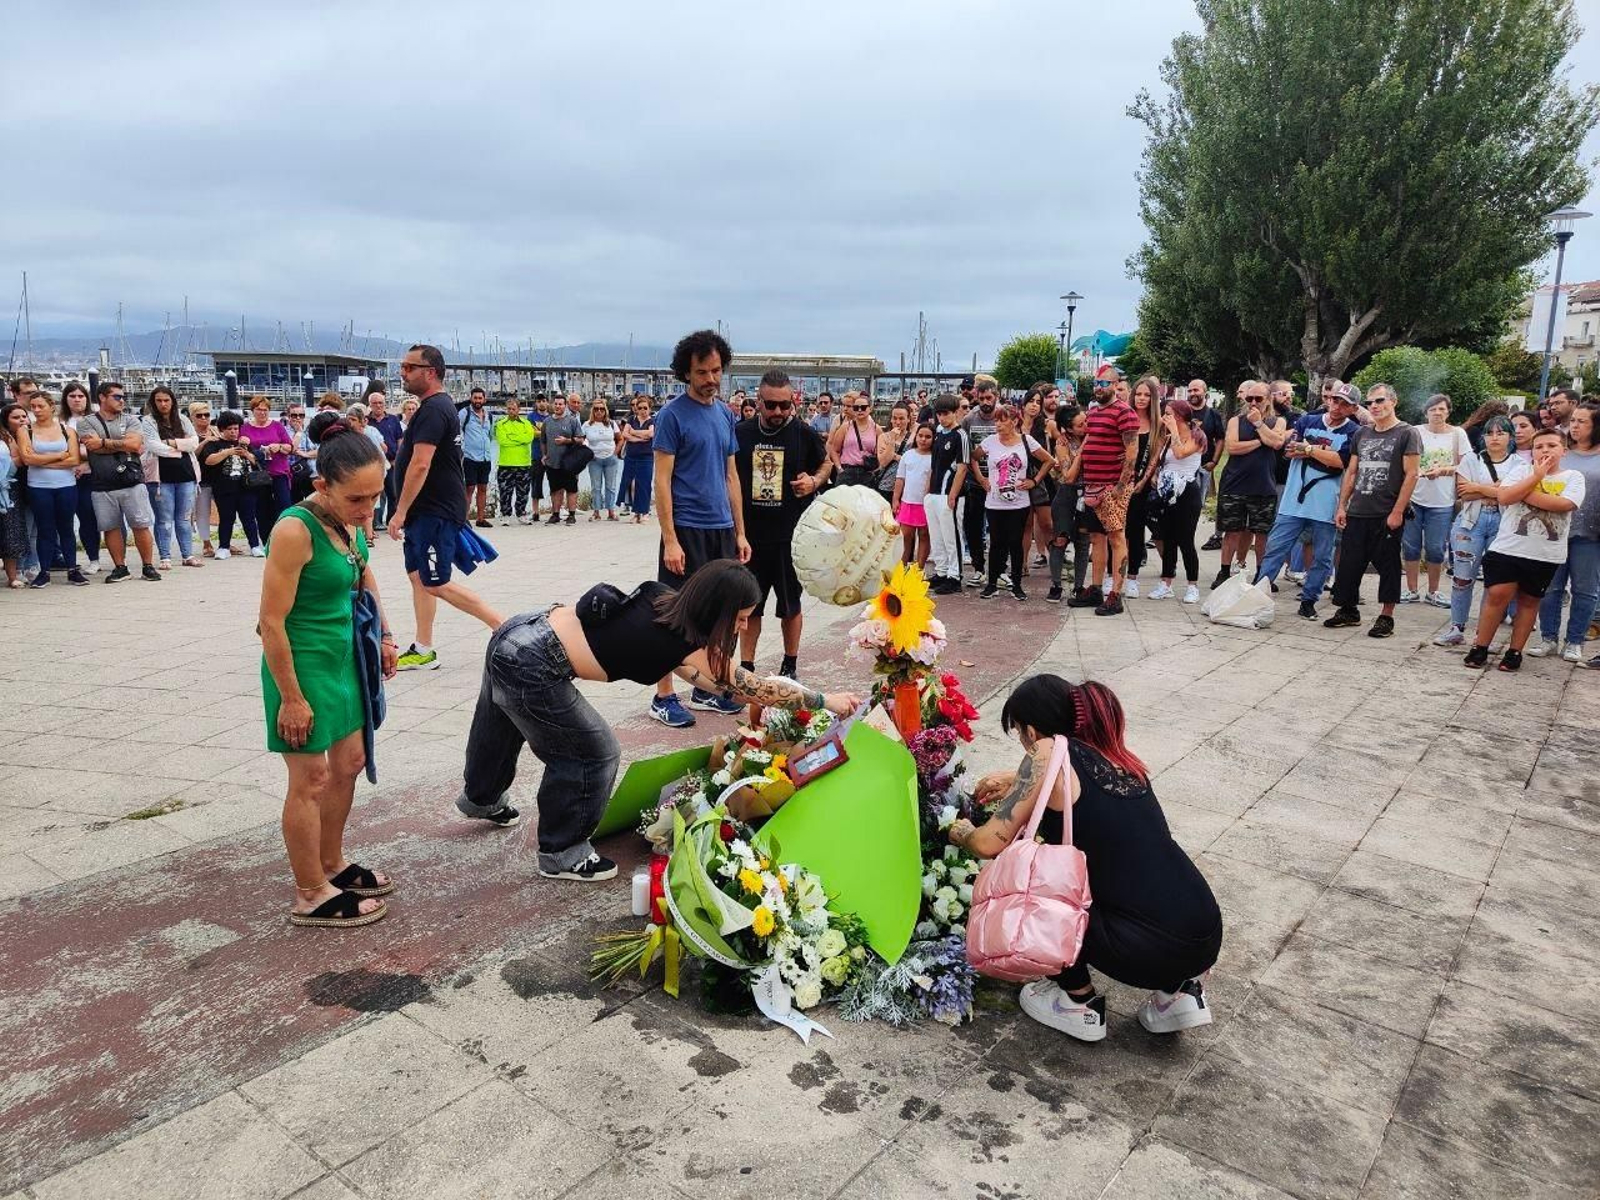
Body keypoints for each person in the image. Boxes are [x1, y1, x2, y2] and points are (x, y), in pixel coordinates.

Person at [455, 560, 859, 879]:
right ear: (718, 609)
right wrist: (826, 700)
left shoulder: (662, 600)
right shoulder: (684, 640)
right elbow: (751, 688)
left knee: (502, 719)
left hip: (519, 632)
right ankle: (562, 853)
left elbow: (707, 677)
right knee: (593, 752)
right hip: (533, 662)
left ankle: (481, 797)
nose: (741, 626)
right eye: (740, 617)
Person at [948, 675, 1223, 1041]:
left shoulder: (1045, 751)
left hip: (1147, 947)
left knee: (1042, 894)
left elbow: (987, 844)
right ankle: (1178, 993)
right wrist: (1017, 780)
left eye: (1018, 733)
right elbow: (1081, 793)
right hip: (1201, 930)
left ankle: (1077, 1000)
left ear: (1030, 730)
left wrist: (959, 830)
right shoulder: (1116, 756)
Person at [259, 413, 399, 927]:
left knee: (350, 763)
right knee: (311, 777)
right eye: (357, 499)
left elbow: (365, 578)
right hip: (301, 665)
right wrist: (291, 698)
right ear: (322, 485)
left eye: (375, 496)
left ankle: (332, 863)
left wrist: (385, 634)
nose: (369, 510)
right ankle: (309, 893)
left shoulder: (352, 525)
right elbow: (269, 624)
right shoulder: (296, 530)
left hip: (345, 660)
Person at [649, 329, 751, 727]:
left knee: (724, 612)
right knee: (672, 613)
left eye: (716, 370)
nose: (711, 378)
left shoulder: (724, 414)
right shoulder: (671, 415)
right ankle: (663, 696)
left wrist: (740, 532)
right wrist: (671, 540)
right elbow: (661, 480)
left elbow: (731, 477)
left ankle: (706, 688)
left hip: (722, 528)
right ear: (686, 373)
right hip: (686, 529)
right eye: (702, 372)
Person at [389, 344, 504, 671]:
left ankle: (504, 627)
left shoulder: (434, 410)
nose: (403, 372)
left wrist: (398, 512)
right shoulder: (434, 408)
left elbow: (420, 465)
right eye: (403, 366)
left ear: (430, 371)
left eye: (409, 367)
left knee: (435, 581)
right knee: (418, 577)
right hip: (424, 512)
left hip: (434, 511)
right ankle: (423, 648)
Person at [734, 369, 830, 682]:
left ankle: (790, 666)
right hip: (750, 537)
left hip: (791, 536)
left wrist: (813, 481)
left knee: (791, 605)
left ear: (794, 403)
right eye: (771, 405)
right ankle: (746, 667)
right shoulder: (741, 433)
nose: (778, 412)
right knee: (749, 607)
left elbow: (828, 462)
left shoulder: (803, 432)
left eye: (785, 406)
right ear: (758, 401)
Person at [1464, 428, 1587, 671]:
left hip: (1544, 552)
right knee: (1497, 595)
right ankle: (1480, 646)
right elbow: (1505, 497)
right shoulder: (1521, 470)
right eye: (1539, 446)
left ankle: (1514, 651)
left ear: (1564, 450)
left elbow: (1565, 504)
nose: (1545, 450)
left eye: (1551, 446)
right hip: (1509, 547)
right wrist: (1536, 476)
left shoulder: (1574, 476)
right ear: (1531, 451)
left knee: (1530, 601)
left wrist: (1523, 494)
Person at [1254, 386, 1361, 620]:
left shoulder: (1355, 432)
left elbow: (1341, 462)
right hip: (1294, 501)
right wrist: (1321, 452)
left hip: (1327, 503)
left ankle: (1309, 600)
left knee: (1323, 557)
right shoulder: (1307, 421)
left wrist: (1310, 449)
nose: (1336, 406)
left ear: (1353, 408)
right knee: (1275, 549)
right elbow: (1290, 450)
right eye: (1334, 400)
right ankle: (1257, 594)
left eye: (1344, 403)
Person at [1324, 384, 1422, 637]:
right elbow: (1352, 471)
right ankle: (1348, 609)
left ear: (1393, 401)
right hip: (1358, 509)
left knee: (1388, 565)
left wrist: (1398, 511)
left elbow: (1412, 474)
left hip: (1386, 510)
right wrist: (1342, 505)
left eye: (1380, 401)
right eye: (1370, 403)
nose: (1375, 406)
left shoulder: (1407, 433)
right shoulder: (1362, 434)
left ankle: (1386, 616)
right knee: (1349, 564)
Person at [1435, 415, 1516, 648]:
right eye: (1490, 433)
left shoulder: (1519, 464)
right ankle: (1456, 627)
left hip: (1503, 524)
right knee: (1462, 577)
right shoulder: (1471, 460)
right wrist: (1497, 488)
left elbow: (1511, 493)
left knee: (1493, 582)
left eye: (1500, 433)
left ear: (1509, 436)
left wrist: (1479, 487)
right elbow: (1464, 493)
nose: (1494, 438)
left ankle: (1484, 632)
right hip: (1471, 521)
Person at [1528, 403, 1600, 663]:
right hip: (1553, 531)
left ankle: (1575, 640)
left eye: (1583, 421)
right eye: (1574, 421)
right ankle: (1548, 637)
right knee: (1551, 588)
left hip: (1589, 534)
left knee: (1585, 589)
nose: (1575, 425)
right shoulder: (1561, 453)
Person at [1067, 371, 1138, 615]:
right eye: (1096, 383)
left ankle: (1116, 594)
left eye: (1104, 383)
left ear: (1116, 385)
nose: (1099, 387)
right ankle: (1096, 588)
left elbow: (1131, 452)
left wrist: (1120, 486)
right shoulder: (1094, 412)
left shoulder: (1125, 413)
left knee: (1116, 537)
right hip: (1092, 485)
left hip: (1111, 487)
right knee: (1096, 537)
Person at [78, 381, 161, 583]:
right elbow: (92, 447)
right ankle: (120, 567)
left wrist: (105, 443)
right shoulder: (86, 422)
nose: (122, 400)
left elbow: (134, 444)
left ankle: (147, 566)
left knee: (140, 525)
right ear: (102, 398)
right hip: (102, 482)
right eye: (117, 396)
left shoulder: (132, 419)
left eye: (123, 396)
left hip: (132, 480)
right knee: (110, 527)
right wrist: (121, 445)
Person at [974, 404, 1054, 601]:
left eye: (1002, 420)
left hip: (1019, 502)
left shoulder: (1026, 441)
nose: (998, 425)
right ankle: (992, 582)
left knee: (1016, 543)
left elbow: (1049, 461)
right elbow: (973, 458)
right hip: (994, 502)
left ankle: (1016, 583)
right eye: (996, 420)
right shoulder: (990, 442)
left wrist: (1034, 481)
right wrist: (982, 479)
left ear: (1015, 421)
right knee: (996, 543)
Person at [1213, 381, 1285, 590]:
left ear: (1268, 400)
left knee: (1262, 533)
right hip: (1235, 484)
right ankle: (1224, 571)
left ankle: (1262, 574)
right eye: (1249, 398)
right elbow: (1233, 447)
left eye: (1259, 399)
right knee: (1231, 531)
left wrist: (1259, 425)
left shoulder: (1277, 421)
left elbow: (1278, 443)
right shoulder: (1236, 420)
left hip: (1263, 486)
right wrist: (1262, 441)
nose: (1253, 403)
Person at [1403, 394, 1470, 606]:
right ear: (1426, 413)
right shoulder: (1415, 431)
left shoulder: (1457, 434)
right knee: (1410, 546)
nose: (1437, 413)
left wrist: (1443, 470)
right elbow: (1404, 460)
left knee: (1435, 547)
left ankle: (1433, 591)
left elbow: (1466, 465)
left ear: (1448, 412)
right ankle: (1411, 590)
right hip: (1414, 497)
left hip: (1442, 501)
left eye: (1441, 409)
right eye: (1433, 409)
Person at [16, 390, 87, 586]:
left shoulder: (67, 430)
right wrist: (59, 456)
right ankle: (44, 571)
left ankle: (72, 569)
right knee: (45, 528)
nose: (36, 410)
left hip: (66, 485)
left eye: (41, 406)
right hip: (39, 486)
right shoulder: (26, 430)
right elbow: (27, 458)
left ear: (51, 407)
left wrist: (42, 461)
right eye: (33, 407)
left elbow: (74, 458)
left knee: (66, 527)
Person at [1147, 398, 1207, 603]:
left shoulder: (1197, 436)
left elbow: (1181, 454)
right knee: (1168, 539)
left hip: (1187, 492)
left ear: (1180, 416)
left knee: (1186, 540)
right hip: (1168, 493)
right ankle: (1166, 583)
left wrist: (1173, 430)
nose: (1165, 417)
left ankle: (1192, 586)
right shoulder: (1166, 437)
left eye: (1169, 414)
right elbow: (1162, 461)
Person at [140, 386, 203, 571]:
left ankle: (187, 554)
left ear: (172, 401)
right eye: (159, 400)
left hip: (186, 476)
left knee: (184, 518)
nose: (163, 404)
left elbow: (194, 443)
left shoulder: (182, 420)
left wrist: (172, 442)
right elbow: (152, 446)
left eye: (166, 400)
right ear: (153, 402)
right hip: (161, 478)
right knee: (164, 519)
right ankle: (165, 556)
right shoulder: (148, 422)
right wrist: (179, 449)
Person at [923, 393, 971, 596]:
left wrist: (953, 494)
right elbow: (933, 465)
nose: (942, 418)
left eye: (946, 413)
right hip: (934, 492)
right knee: (937, 536)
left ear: (955, 412)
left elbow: (963, 467)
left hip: (949, 493)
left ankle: (955, 575)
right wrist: (927, 491)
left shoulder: (960, 436)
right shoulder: (940, 434)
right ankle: (941, 571)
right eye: (939, 414)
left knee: (952, 536)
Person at [198, 411, 263, 559]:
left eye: (236, 428)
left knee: (249, 518)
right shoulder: (214, 444)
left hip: (246, 487)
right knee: (227, 518)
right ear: (222, 429)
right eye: (230, 429)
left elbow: (256, 462)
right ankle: (224, 546)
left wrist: (246, 453)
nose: (234, 432)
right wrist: (228, 451)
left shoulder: (244, 444)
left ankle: (255, 545)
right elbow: (209, 460)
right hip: (224, 488)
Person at [1119, 376, 1162, 596]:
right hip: (1119, 484)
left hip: (1142, 487)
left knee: (1135, 533)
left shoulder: (1158, 426)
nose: (1142, 398)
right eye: (1139, 394)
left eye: (1147, 395)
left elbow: (1155, 458)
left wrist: (1141, 482)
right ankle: (1112, 575)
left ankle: (1133, 578)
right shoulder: (1124, 419)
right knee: (1116, 532)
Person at [1047, 404, 1091, 604]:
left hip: (1089, 493)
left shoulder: (1093, 436)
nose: (1086, 426)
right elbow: (1068, 476)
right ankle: (1056, 584)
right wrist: (1082, 450)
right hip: (1067, 494)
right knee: (1060, 539)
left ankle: (1079, 586)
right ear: (1069, 428)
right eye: (1081, 425)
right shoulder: (1062, 443)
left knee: (1083, 542)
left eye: (1086, 420)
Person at [960, 377, 1003, 585]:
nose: (986, 402)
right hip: (975, 481)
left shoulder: (1004, 416)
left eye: (989, 398)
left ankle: (1000, 569)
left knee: (999, 528)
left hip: (1001, 481)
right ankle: (978, 567)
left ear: (996, 397)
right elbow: (967, 452)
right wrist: (979, 477)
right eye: (982, 398)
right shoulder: (969, 419)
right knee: (973, 526)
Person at [61, 381, 101, 573]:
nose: (77, 400)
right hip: (65, 477)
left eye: (80, 396)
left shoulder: (95, 420)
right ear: (65, 399)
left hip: (91, 476)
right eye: (72, 396)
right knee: (66, 520)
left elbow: (100, 447)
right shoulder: (60, 422)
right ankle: (68, 560)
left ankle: (95, 559)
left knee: (90, 519)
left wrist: (85, 459)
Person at [240, 396, 293, 532]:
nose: (262, 412)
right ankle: (266, 540)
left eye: (265, 409)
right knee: (262, 510)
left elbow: (290, 447)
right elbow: (241, 448)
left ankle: (284, 535)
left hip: (278, 472)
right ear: (253, 410)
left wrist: (279, 446)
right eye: (258, 409)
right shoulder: (245, 428)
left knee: (284, 505)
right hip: (258, 475)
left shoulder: (277, 426)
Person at [892, 422, 936, 570]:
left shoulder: (934, 458)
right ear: (916, 436)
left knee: (924, 535)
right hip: (907, 502)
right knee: (905, 537)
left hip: (925, 504)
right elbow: (900, 478)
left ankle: (919, 569)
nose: (923, 439)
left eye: (928, 437)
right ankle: (902, 567)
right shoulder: (908, 455)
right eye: (920, 436)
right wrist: (896, 499)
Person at [491, 398, 537, 525]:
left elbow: (528, 438)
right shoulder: (501, 424)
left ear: (518, 409)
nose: (511, 411)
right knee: (505, 491)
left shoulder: (526, 423)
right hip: (506, 463)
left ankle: (521, 513)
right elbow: (502, 441)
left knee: (523, 492)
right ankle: (505, 514)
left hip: (523, 463)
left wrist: (512, 437)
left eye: (513, 409)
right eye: (509, 409)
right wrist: (519, 439)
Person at [541, 393, 584, 526]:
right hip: (552, 462)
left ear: (565, 406)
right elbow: (543, 441)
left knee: (571, 489)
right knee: (555, 489)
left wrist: (567, 440)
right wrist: (544, 455)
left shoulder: (572, 420)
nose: (558, 406)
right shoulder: (547, 422)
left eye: (561, 404)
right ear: (552, 405)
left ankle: (571, 515)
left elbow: (581, 439)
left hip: (569, 462)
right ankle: (555, 514)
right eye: (556, 404)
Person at [0, 405, 30, 587]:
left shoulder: (9, 438)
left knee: (10, 532)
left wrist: (5, 471)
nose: (21, 420)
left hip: (8, 488)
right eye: (15, 417)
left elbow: (20, 459)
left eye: (23, 416)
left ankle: (12, 576)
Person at [828, 391, 882, 488]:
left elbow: (882, 452)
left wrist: (877, 469)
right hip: (847, 470)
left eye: (863, 407)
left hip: (867, 472)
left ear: (870, 408)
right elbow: (834, 449)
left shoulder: (876, 429)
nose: (860, 410)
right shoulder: (845, 427)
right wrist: (839, 468)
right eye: (856, 408)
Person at [582, 400, 622, 522]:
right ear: (592, 411)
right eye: (596, 409)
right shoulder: (587, 425)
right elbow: (581, 440)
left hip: (610, 459)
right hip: (595, 459)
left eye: (601, 409)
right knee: (596, 487)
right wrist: (587, 453)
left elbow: (620, 439)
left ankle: (611, 511)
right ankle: (596, 512)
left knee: (611, 486)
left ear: (605, 411)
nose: (599, 411)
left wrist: (615, 453)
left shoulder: (611, 424)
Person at [369, 387, 403, 529]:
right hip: (373, 464)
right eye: (375, 403)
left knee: (393, 494)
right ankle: (375, 523)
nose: (378, 406)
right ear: (370, 405)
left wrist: (399, 458)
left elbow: (400, 439)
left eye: (381, 403)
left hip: (392, 462)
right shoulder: (367, 422)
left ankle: (391, 521)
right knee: (376, 495)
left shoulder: (393, 419)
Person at [459, 387, 494, 529]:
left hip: (485, 457)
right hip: (470, 457)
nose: (478, 401)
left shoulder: (489, 415)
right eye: (475, 398)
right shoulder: (464, 413)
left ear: (484, 399)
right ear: (471, 398)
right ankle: (464, 519)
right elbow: (457, 430)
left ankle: (481, 518)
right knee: (469, 488)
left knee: (483, 488)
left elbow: (490, 435)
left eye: (480, 398)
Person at [619, 395, 656, 523]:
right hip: (631, 456)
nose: (642, 410)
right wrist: (639, 438)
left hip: (646, 457)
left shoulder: (652, 421)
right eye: (639, 408)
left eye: (645, 408)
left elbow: (651, 433)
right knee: (632, 484)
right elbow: (625, 434)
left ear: (649, 408)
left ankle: (645, 511)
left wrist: (633, 433)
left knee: (644, 484)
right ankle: (636, 512)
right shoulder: (631, 419)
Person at [187, 401, 217, 557]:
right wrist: (205, 441)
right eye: (199, 415)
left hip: (218, 477)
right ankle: (206, 542)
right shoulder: (189, 434)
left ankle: (225, 540)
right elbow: (192, 454)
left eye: (207, 415)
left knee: (225, 511)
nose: (204, 418)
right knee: (202, 512)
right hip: (200, 477)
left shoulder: (216, 431)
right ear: (192, 417)